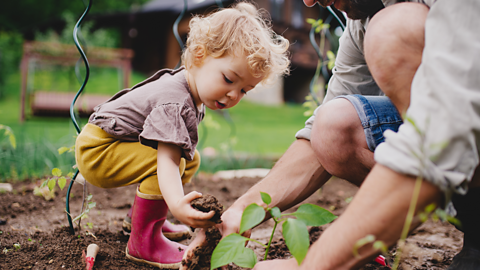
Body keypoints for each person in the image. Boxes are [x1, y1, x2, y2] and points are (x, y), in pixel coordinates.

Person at [183, 0, 480, 269]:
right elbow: (320, 135)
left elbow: (448, 127)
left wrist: (314, 264)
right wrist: (243, 211)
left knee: (395, 32)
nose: (310, 2)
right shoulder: (362, 20)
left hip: (460, 121)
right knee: (333, 125)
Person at [74, 2, 290, 268]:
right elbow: (165, 160)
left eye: (244, 90)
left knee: (191, 158)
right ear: (199, 55)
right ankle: (144, 243)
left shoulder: (189, 90)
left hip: (111, 144)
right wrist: (178, 205)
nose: (234, 94)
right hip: (99, 150)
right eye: (229, 79)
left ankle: (143, 221)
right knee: (166, 162)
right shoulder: (175, 102)